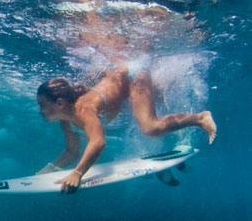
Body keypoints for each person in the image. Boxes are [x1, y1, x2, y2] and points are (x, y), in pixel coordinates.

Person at [36, 63, 217, 194]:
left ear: (59, 103)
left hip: (133, 76)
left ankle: (200, 118)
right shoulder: (65, 119)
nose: (40, 111)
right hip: (119, 78)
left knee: (150, 127)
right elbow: (71, 152)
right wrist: (49, 169)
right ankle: (167, 86)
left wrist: (77, 173)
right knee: (159, 102)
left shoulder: (83, 109)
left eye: (42, 105)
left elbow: (98, 142)